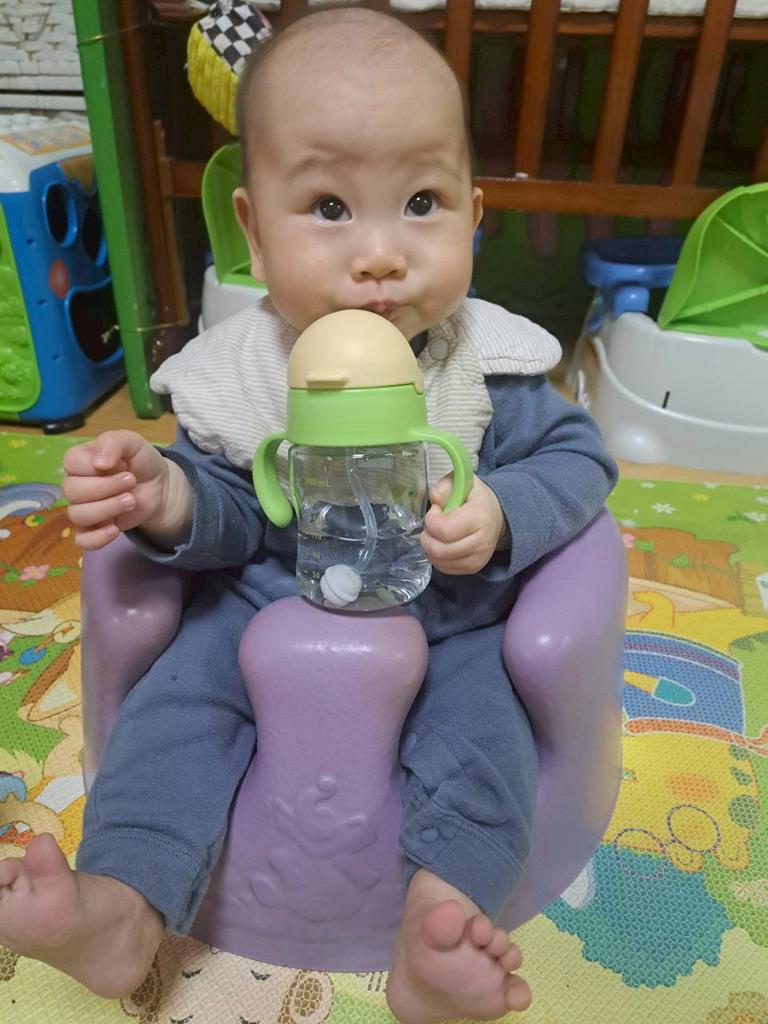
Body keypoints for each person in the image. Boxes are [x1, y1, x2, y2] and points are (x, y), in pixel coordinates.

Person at [0, 9, 617, 1023]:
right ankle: (122, 905)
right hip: (256, 605)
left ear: (472, 216)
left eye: (421, 203)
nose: (379, 255)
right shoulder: (238, 376)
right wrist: (164, 496)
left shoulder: (489, 369)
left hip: (452, 617)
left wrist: (502, 512)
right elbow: (229, 511)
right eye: (329, 206)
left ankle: (439, 921)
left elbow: (580, 462)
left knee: (484, 732)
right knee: (173, 712)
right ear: (252, 230)